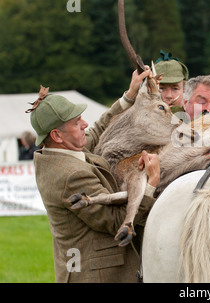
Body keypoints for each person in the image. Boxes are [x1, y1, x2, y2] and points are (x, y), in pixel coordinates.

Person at [28, 69, 160, 283]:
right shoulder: (71, 175)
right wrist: (150, 183)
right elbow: (118, 222)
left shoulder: (59, 152)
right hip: (99, 276)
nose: (85, 124)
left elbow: (99, 129)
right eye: (76, 122)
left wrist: (129, 95)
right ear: (56, 135)